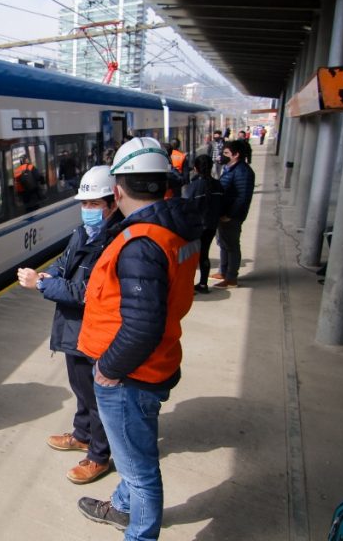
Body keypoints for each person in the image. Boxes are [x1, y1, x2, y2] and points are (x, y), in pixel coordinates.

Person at [76, 137, 202, 541]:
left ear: (117, 189)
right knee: (134, 453)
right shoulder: (175, 227)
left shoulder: (141, 243)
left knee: (140, 468)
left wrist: (107, 370)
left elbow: (142, 324)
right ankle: (123, 506)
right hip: (157, 358)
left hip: (132, 373)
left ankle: (140, 533)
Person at [16, 166, 121, 485]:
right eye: (84, 204)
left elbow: (88, 293)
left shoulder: (113, 241)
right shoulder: (83, 233)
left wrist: (42, 285)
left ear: (112, 204)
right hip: (74, 328)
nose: (87, 210)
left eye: (94, 205)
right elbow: (64, 264)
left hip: (94, 329)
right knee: (80, 388)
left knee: (95, 394)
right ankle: (82, 434)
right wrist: (48, 274)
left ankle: (99, 456)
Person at [212, 140, 255, 289]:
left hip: (231, 216)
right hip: (224, 213)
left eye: (226, 153)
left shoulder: (243, 172)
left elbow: (242, 198)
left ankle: (231, 278)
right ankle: (223, 272)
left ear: (236, 155)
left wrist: (230, 215)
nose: (222, 156)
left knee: (232, 246)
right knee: (223, 243)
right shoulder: (230, 168)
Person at [183, 153, 224, 293]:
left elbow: (185, 206)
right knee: (204, 254)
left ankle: (189, 286)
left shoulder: (193, 187)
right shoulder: (218, 185)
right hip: (212, 225)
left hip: (196, 227)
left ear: (195, 168)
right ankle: (203, 285)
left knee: (192, 258)